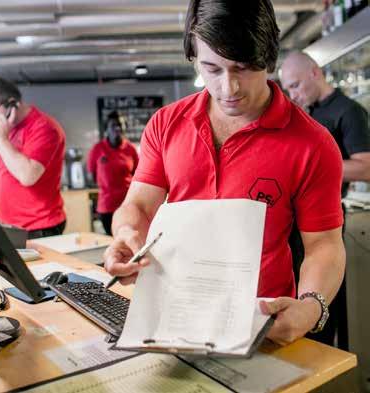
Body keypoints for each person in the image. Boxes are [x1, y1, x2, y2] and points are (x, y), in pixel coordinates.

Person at [103, 0, 346, 346]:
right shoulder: (165, 124)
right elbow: (139, 206)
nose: (228, 88)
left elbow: (324, 245)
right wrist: (126, 235)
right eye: (212, 70)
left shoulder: (313, 144)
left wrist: (311, 306)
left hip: (262, 323)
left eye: (243, 68)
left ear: (267, 58)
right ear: (194, 57)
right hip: (175, 316)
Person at [281, 51, 370, 349]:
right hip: (295, 222)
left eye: (295, 85)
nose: (293, 94)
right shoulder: (308, 111)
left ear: (315, 73)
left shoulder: (350, 111)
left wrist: (314, 166)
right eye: (288, 89)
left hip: (329, 220)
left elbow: (367, 166)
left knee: (324, 306)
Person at [0, 75, 66, 239]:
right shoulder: (9, 128)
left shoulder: (44, 128)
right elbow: (7, 173)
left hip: (37, 227)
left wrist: (0, 140)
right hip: (11, 225)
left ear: (12, 103)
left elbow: (28, 176)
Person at [87, 112, 139, 235]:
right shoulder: (98, 149)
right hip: (107, 206)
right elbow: (92, 175)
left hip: (127, 204)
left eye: (120, 125)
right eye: (113, 125)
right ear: (106, 129)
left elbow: (137, 175)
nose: (117, 128)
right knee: (112, 241)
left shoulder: (130, 149)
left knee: (128, 239)